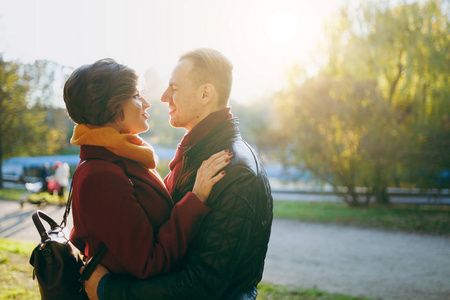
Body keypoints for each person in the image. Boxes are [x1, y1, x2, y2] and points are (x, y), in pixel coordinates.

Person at [85, 49, 273, 299]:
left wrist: (110, 290)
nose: (164, 97)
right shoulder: (197, 154)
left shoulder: (231, 170)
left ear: (206, 94)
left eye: (174, 88)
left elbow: (202, 284)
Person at [63, 58, 231, 280]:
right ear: (110, 105)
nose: (147, 103)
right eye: (135, 96)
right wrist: (196, 198)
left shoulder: (124, 157)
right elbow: (149, 262)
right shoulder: (101, 176)